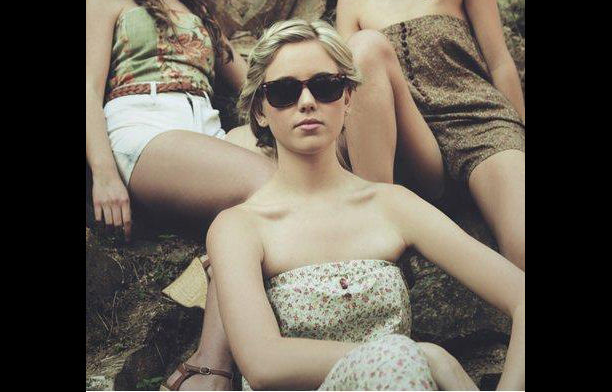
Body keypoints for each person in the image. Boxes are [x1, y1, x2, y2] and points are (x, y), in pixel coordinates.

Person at [206, 19, 525, 391]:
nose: (306, 102)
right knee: (395, 358)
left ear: (347, 98)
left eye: (325, 86)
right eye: (284, 91)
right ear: (261, 110)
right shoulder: (239, 225)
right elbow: (263, 363)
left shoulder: (391, 205)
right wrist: (423, 355)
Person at [86, 0, 276, 390]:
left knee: (283, 184)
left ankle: (206, 362)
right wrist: (104, 174)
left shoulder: (199, 7)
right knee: (269, 185)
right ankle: (213, 366)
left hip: (205, 129)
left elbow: (252, 80)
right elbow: (87, 89)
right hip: (143, 123)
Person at [335, 0, 525, 270]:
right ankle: (373, 225)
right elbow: (347, 100)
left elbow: (499, 61)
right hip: (410, 141)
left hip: (481, 125)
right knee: (364, 49)